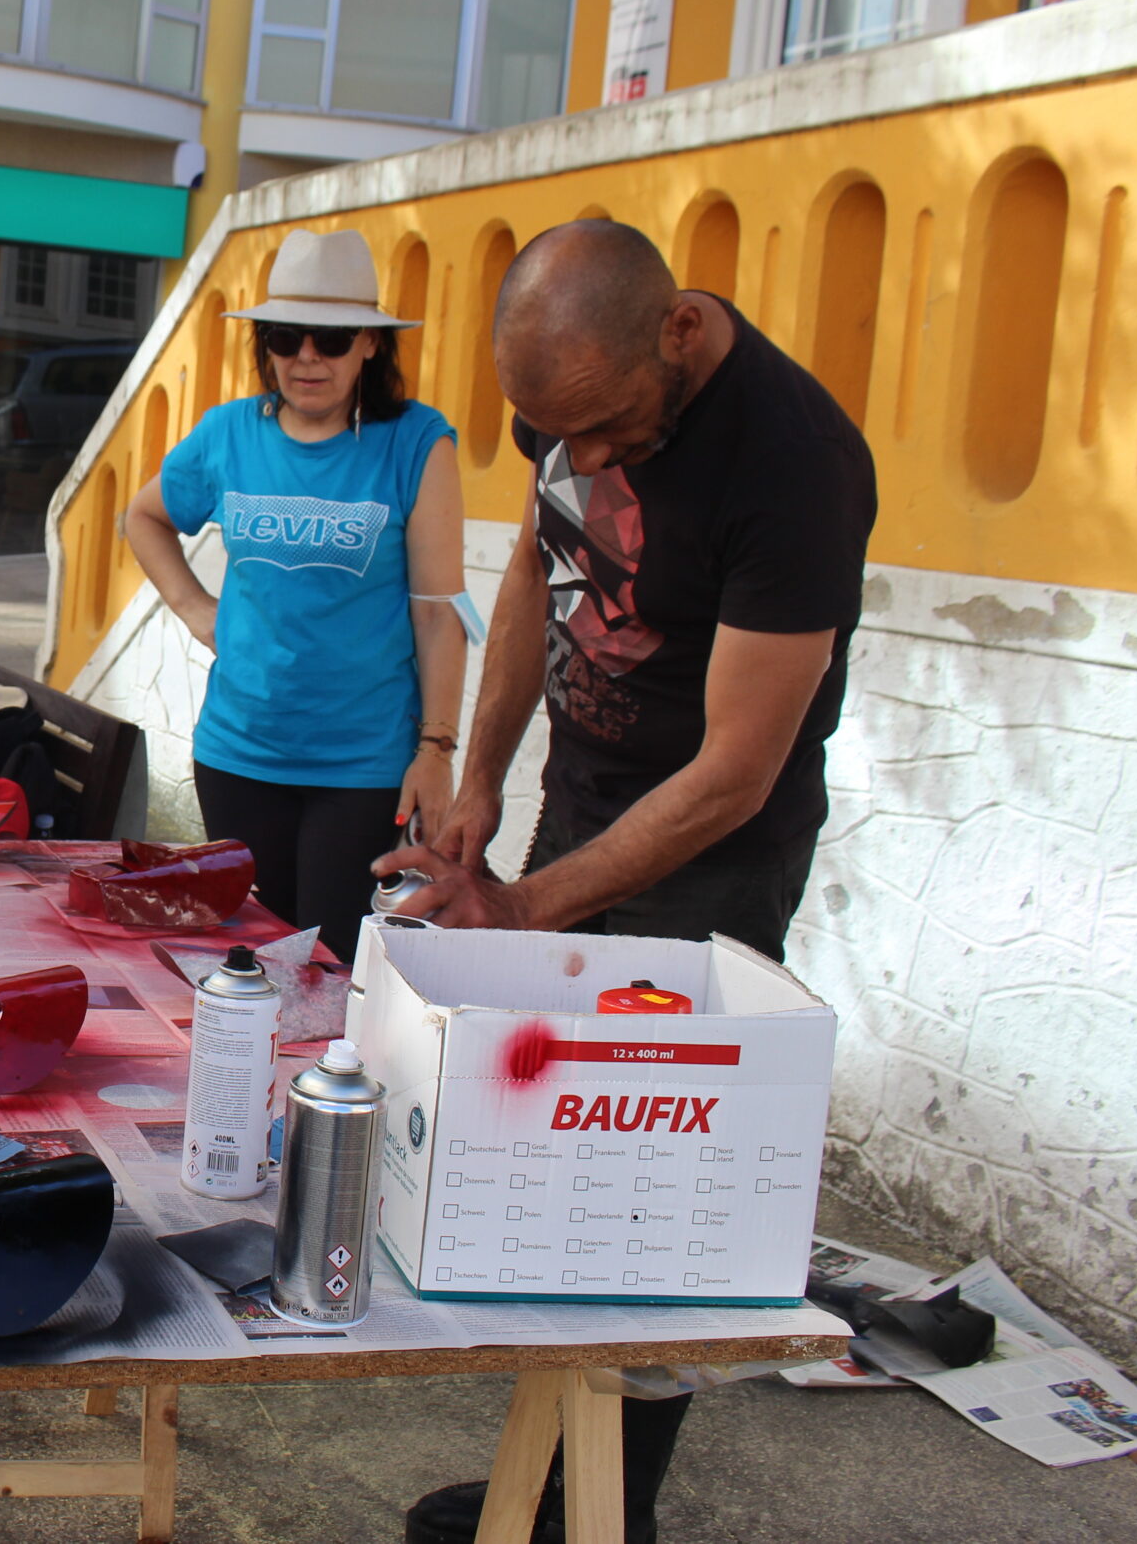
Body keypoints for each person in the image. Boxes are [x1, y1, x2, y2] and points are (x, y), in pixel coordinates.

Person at [386, 218, 877, 1544]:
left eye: (608, 431)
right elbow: (536, 583)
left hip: (707, 860)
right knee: (546, 1161)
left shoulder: (794, 465)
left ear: (675, 333)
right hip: (585, 809)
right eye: (558, 432)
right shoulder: (581, 394)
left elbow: (737, 772)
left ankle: (608, 1516)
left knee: (651, 1192)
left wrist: (537, 906)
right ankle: (546, 1484)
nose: (586, 456)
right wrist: (481, 777)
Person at [124, 227, 465, 958]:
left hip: (365, 763)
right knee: (251, 960)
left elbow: (440, 616)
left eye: (333, 337)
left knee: (333, 965)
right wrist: (194, 609)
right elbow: (145, 515)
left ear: (371, 344)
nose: (307, 356)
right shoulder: (227, 434)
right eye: (285, 335)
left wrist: (436, 749)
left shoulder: (415, 442)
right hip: (238, 754)